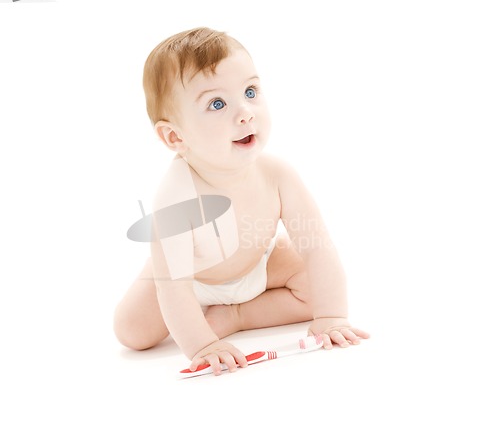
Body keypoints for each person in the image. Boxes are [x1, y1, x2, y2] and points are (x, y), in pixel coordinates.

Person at [114, 27, 369, 375]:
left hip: (258, 265)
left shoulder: (277, 174)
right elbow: (174, 287)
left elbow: (317, 247)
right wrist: (203, 344)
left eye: (250, 91)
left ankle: (237, 315)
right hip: (192, 280)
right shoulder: (175, 200)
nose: (245, 112)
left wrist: (331, 316)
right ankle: (208, 318)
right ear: (175, 136)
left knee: (319, 288)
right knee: (132, 332)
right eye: (217, 104)